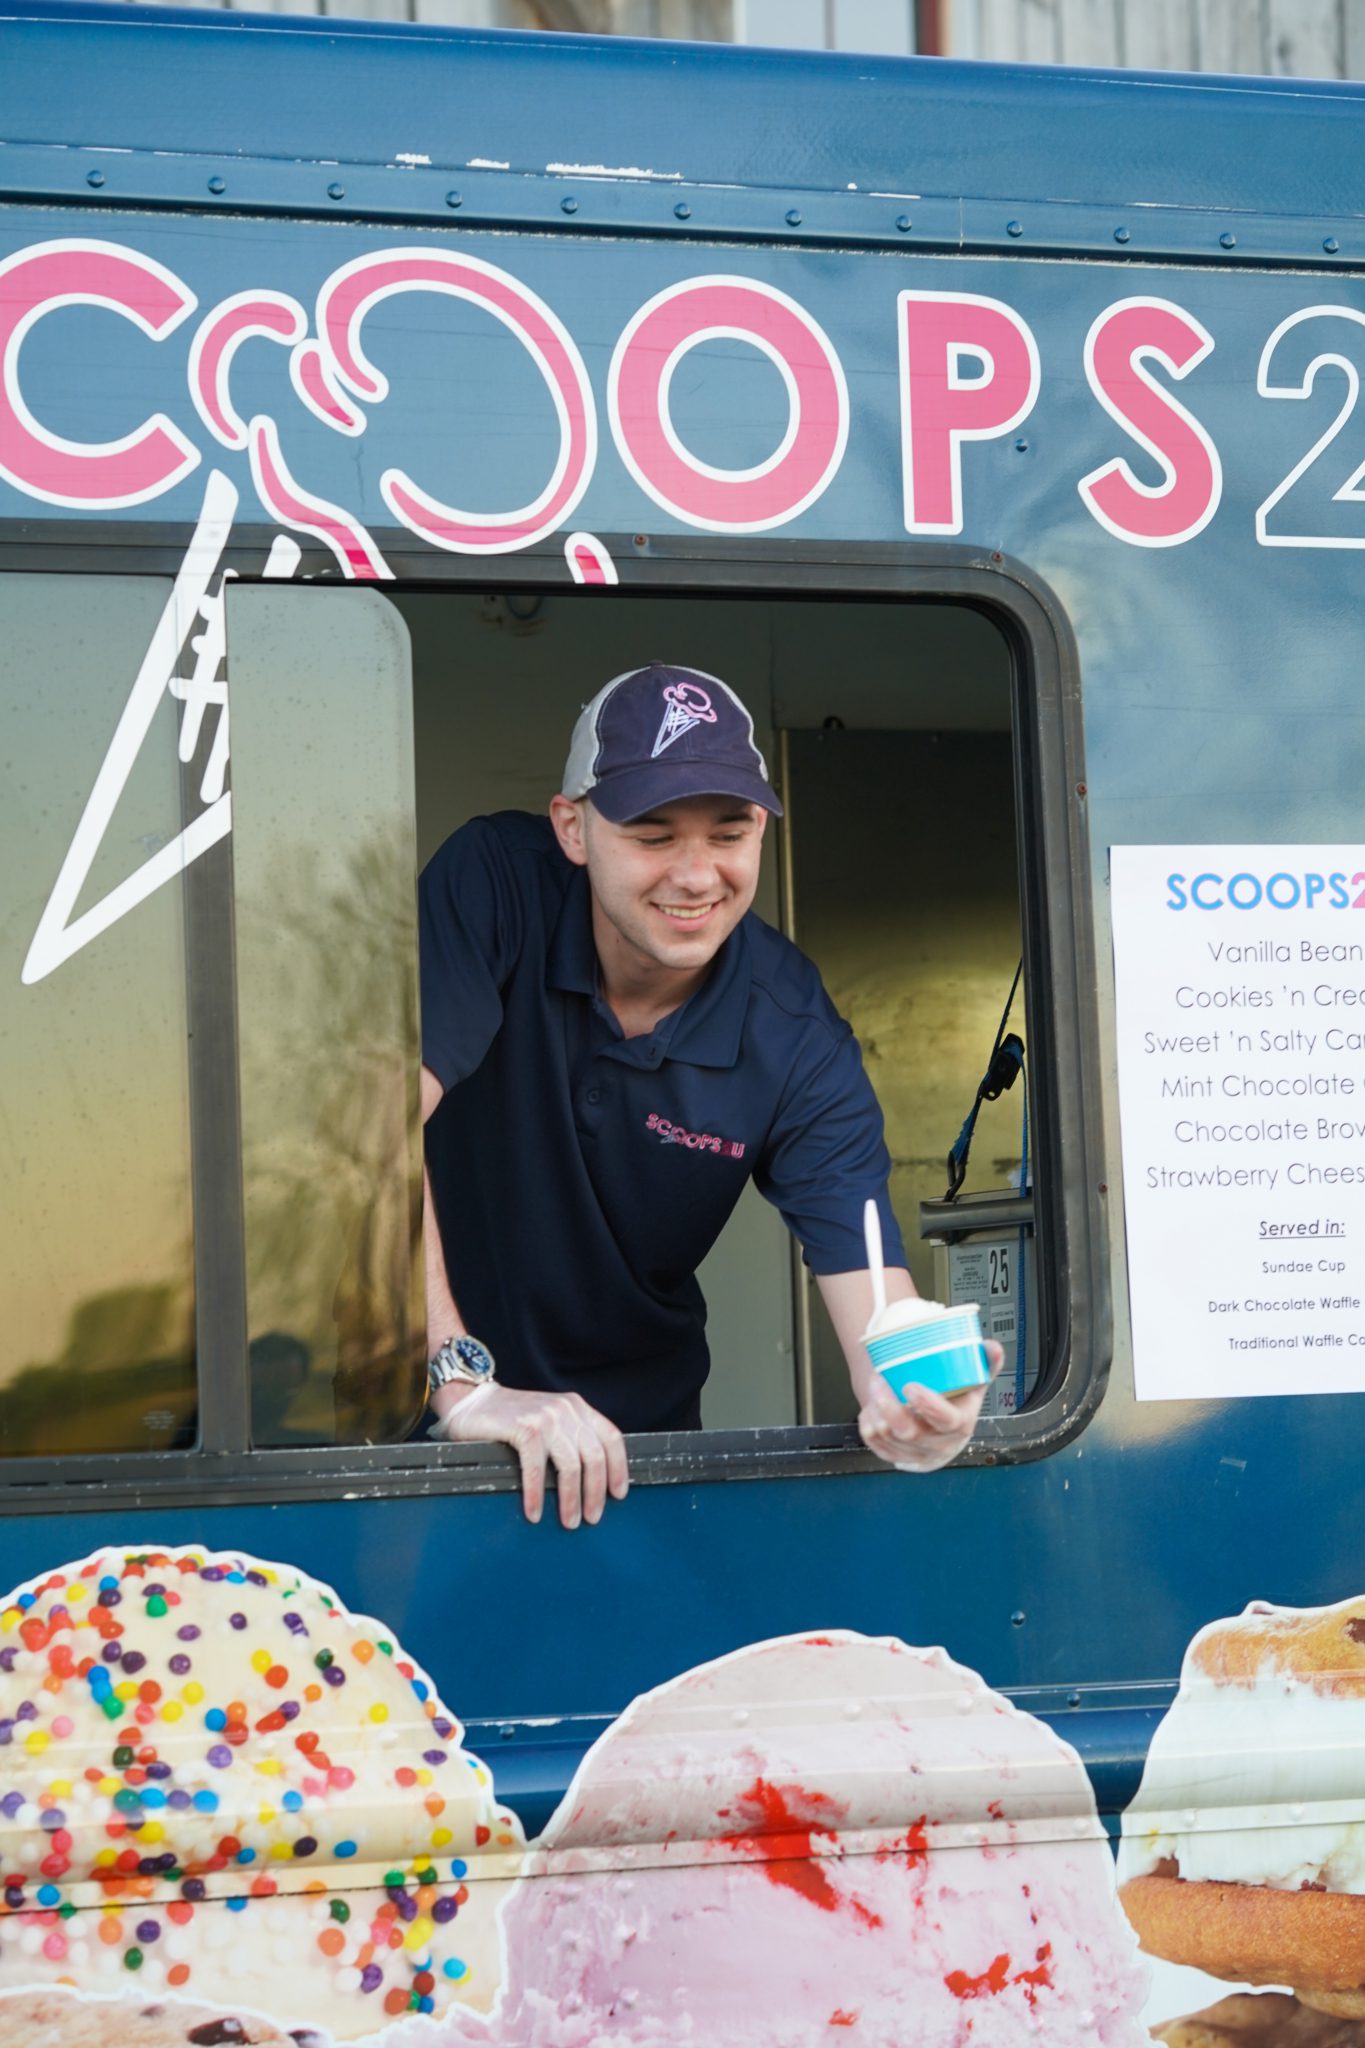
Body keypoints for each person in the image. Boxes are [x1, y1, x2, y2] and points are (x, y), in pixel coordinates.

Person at [419, 662, 1000, 1529]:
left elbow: (874, 1294)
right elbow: (365, 1135)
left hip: (629, 1449)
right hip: (412, 1416)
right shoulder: (494, 883)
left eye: (728, 835)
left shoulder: (794, 1031)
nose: (695, 877)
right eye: (653, 836)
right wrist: (461, 1386)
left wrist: (916, 1406)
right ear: (572, 829)